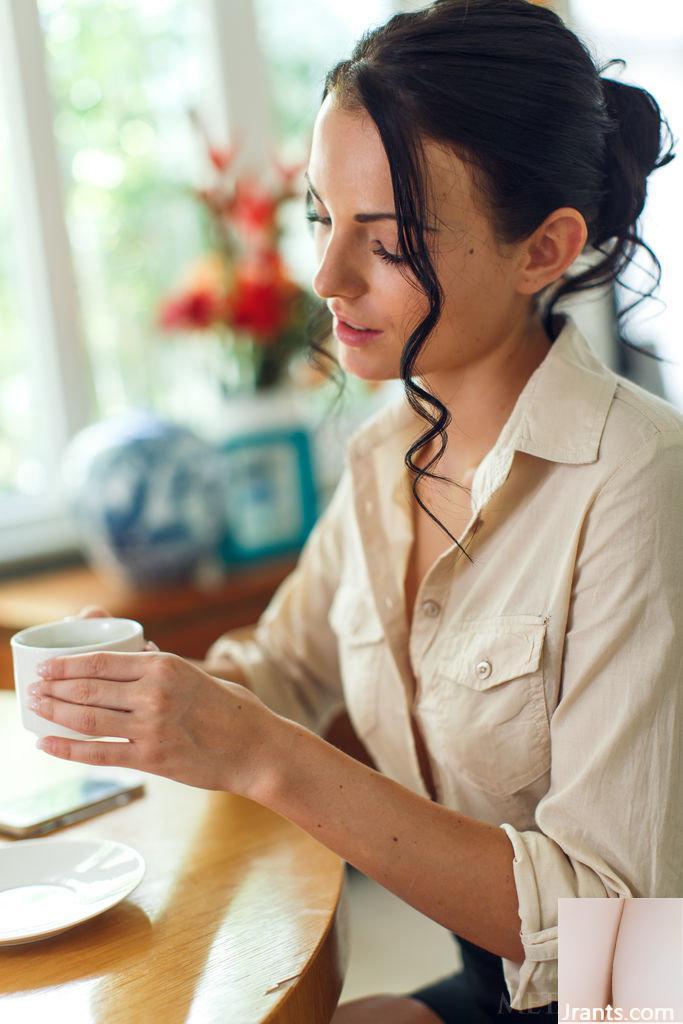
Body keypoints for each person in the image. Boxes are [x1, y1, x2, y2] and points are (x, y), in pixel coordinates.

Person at [29, 2, 681, 1021]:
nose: (324, 279)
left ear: (542, 251)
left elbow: (628, 945)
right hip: (503, 988)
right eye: (320, 219)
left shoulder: (637, 484)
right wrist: (133, 707)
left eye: (386, 241)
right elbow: (275, 673)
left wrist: (260, 751)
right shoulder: (388, 453)